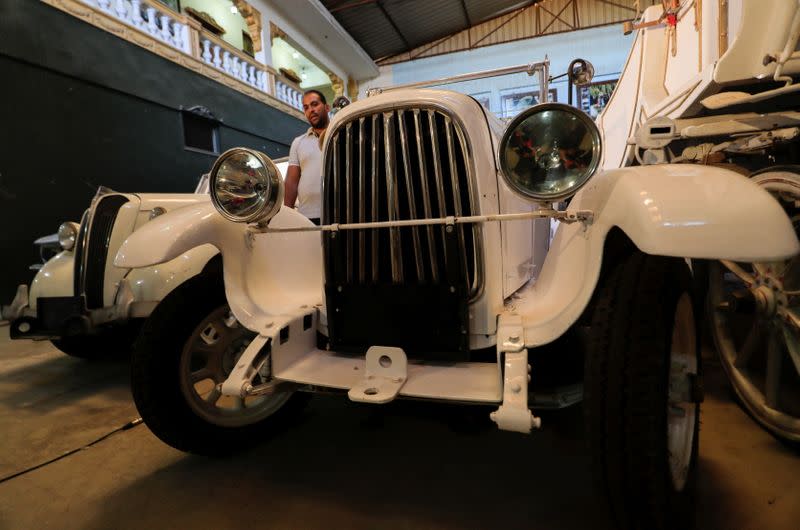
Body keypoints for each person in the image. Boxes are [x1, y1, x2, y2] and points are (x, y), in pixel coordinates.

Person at [284, 89, 330, 225]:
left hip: (339, 212)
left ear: (327, 107)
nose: (311, 110)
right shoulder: (298, 142)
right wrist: (287, 215)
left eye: (315, 104)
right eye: (306, 107)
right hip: (307, 216)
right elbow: (291, 182)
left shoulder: (341, 134)